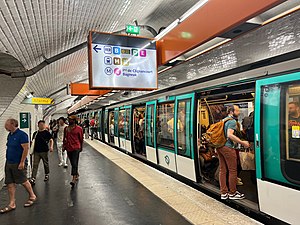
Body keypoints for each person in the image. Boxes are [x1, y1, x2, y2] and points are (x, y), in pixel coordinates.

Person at [0, 119, 37, 214]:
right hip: (9, 162)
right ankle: (12, 203)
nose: (5, 127)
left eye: (6, 125)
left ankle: (32, 196)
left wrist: (22, 162)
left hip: (18, 162)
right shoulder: (10, 135)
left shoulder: (22, 135)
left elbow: (26, 149)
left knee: (23, 181)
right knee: (10, 183)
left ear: (13, 124)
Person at [216, 105, 250, 200]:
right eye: (237, 111)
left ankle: (224, 192)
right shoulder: (232, 121)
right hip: (228, 147)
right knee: (232, 170)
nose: (239, 112)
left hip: (220, 146)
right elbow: (229, 135)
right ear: (231, 111)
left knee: (223, 170)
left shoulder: (224, 120)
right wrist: (242, 142)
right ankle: (232, 193)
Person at [29, 120, 54, 185]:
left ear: (44, 125)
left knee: (45, 163)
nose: (41, 126)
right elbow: (32, 142)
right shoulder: (35, 133)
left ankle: (46, 174)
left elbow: (51, 140)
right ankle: (33, 178)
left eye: (43, 124)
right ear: (38, 125)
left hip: (44, 151)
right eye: (40, 124)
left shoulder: (46, 133)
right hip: (36, 151)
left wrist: (51, 147)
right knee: (35, 165)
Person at [63, 115, 83, 188]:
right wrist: (63, 146)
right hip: (69, 148)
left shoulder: (79, 129)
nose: (69, 120)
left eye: (70, 119)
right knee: (72, 162)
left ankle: (74, 178)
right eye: (68, 119)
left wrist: (81, 147)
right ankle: (76, 173)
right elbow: (64, 137)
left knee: (75, 162)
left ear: (74, 121)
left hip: (76, 147)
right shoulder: (66, 128)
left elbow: (81, 138)